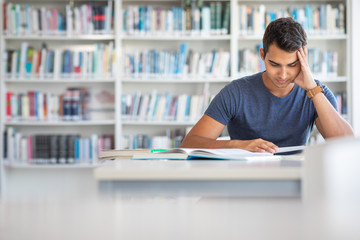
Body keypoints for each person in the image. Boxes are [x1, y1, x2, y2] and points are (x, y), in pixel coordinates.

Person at [180, 17, 354, 153]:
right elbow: (189, 144)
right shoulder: (236, 92)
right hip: (245, 181)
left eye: (292, 65)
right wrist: (237, 146)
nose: (283, 75)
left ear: (304, 58)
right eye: (275, 64)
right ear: (262, 55)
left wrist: (313, 90)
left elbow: (346, 144)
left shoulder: (315, 93)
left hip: (296, 181)